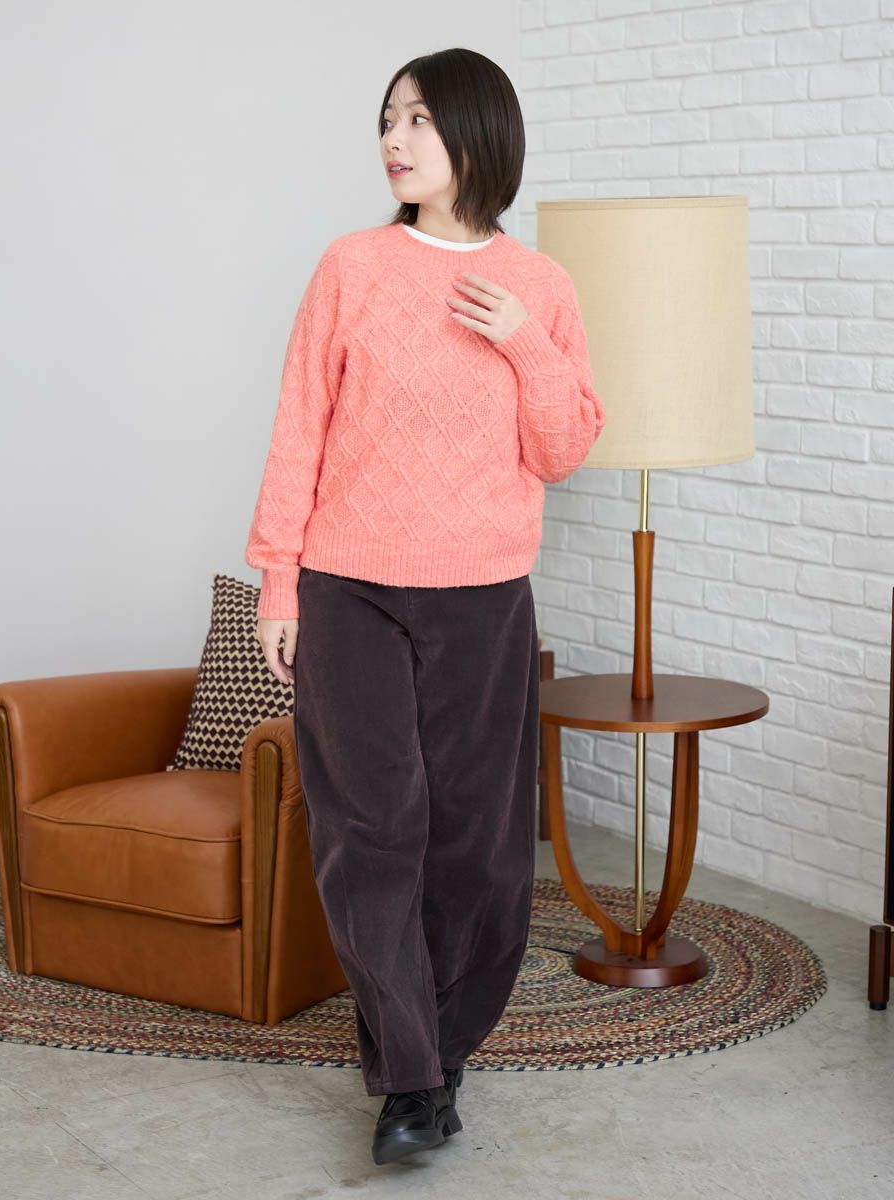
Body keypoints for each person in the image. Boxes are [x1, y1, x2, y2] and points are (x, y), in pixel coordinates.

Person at [244, 47, 606, 1166]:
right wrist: (278, 579)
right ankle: (408, 1079)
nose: (395, 141)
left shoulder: (540, 287)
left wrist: (523, 341)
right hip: (349, 590)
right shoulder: (351, 266)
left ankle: (442, 1055)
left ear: (477, 134)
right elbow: (300, 424)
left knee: (480, 854)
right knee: (370, 834)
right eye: (388, 120)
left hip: (484, 598)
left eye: (419, 121)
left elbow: (564, 449)